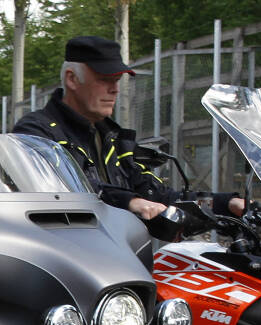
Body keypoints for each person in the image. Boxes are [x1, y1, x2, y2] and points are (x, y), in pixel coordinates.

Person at [14, 35, 244, 222]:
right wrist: (129, 202)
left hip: (120, 256)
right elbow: (66, 188)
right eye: (105, 79)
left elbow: (154, 194)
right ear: (72, 79)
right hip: (68, 261)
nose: (114, 89)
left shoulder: (112, 138)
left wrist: (226, 204)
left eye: (117, 80)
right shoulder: (37, 132)